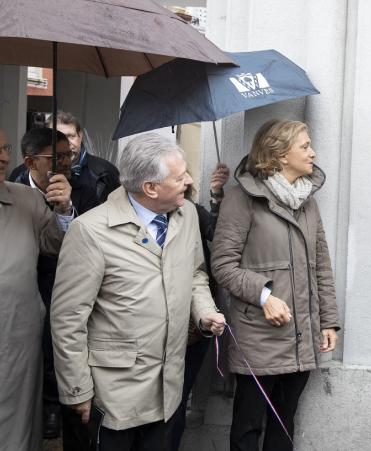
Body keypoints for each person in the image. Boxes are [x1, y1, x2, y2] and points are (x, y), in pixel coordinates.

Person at [51, 134, 226, 451]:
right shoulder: (91, 231)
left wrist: (204, 312)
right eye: (180, 176)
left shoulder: (186, 216)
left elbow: (196, 273)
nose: (188, 181)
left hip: (167, 393)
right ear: (150, 188)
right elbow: (67, 320)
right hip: (114, 398)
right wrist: (77, 391)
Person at [211, 119, 340, 451]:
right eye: (305, 146)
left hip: (302, 335)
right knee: (247, 427)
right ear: (280, 154)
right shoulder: (241, 199)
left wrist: (328, 321)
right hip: (260, 336)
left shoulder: (307, 201)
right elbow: (222, 266)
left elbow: (321, 265)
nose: (313, 153)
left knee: (284, 427)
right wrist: (264, 295)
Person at [15, 128, 99, 443]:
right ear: (30, 162)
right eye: (56, 157)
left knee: (55, 343)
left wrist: (65, 209)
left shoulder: (85, 187)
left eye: (68, 154)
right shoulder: (13, 187)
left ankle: (54, 403)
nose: (65, 161)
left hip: (63, 279)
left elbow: (90, 238)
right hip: (23, 280)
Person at [0, 128, 73, 451]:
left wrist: (64, 209)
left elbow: (58, 245)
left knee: (16, 422)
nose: (4, 158)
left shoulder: (27, 199)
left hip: (18, 334)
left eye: (4, 149)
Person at [166, 163, 230, 451]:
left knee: (177, 400)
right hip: (150, 333)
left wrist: (217, 196)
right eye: (179, 176)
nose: (188, 180)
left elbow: (220, 237)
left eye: (186, 175)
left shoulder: (193, 212)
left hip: (192, 327)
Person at [12, 111, 120, 204]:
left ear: (80, 135)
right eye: (57, 137)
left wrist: (66, 211)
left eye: (71, 136)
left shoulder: (105, 172)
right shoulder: (19, 177)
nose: (66, 142)